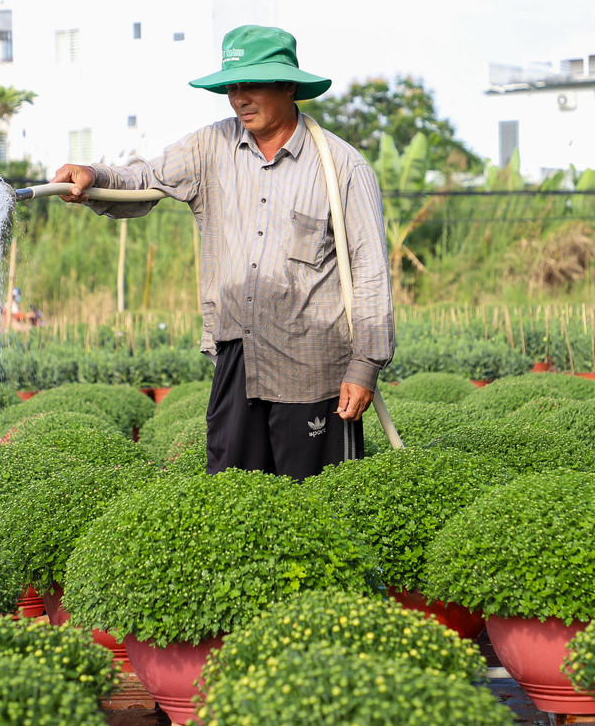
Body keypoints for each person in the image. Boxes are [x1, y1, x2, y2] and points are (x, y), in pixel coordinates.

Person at [48, 25, 395, 480]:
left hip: (314, 371)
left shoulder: (343, 167)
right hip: (238, 359)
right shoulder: (210, 146)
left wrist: (365, 366)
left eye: (250, 85)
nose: (238, 98)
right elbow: (144, 180)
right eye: (231, 87)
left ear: (287, 86)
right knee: (232, 495)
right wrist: (92, 176)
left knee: (320, 506)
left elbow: (370, 273)